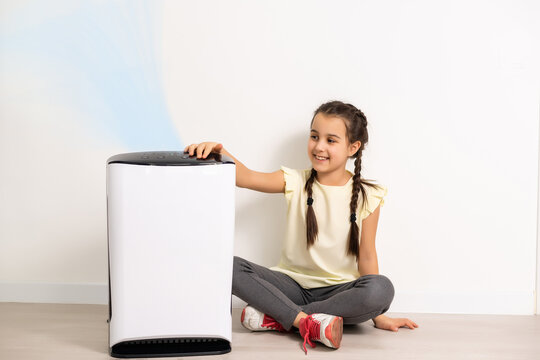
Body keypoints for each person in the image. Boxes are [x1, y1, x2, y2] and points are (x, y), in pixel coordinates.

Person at [184, 100, 418, 354]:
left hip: (338, 294)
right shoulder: (295, 180)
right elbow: (248, 177)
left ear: (353, 147)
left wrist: (378, 315)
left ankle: (280, 316)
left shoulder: (369, 194)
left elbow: (367, 255)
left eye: (331, 140)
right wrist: (220, 152)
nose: (319, 146)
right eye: (314, 136)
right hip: (290, 286)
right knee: (228, 265)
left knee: (380, 288)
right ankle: (307, 322)